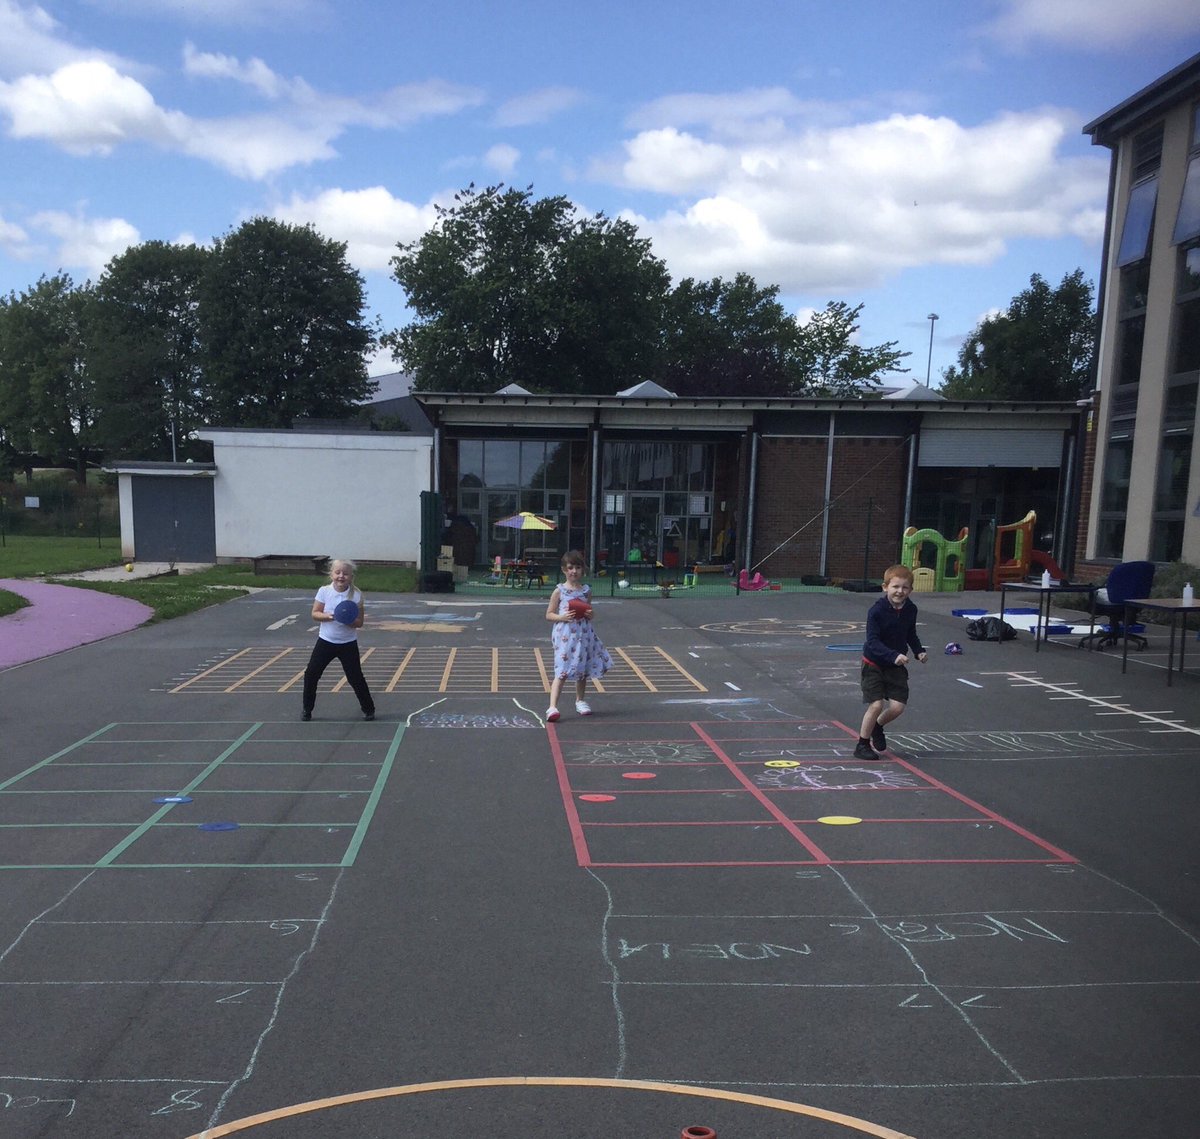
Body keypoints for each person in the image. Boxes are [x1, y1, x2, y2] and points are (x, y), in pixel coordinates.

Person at [853, 563, 927, 761]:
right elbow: (873, 641)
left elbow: (910, 633)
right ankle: (862, 744)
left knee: (897, 707)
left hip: (895, 665)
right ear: (885, 587)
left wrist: (919, 651)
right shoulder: (876, 611)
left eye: (905, 587)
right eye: (895, 587)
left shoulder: (910, 609)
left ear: (911, 590)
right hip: (874, 663)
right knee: (876, 705)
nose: (900, 591)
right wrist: (893, 655)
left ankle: (877, 726)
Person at [301, 558, 376, 722]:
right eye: (338, 572)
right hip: (326, 641)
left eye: (345, 574)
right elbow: (315, 614)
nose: (341, 576)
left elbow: (359, 622)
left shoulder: (356, 595)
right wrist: (328, 616)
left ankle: (369, 709)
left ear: (351, 577)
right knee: (311, 674)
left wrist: (348, 620)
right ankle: (307, 709)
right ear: (331, 574)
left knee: (355, 677)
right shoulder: (324, 591)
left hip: (347, 643)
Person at [545, 550, 613, 722]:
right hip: (565, 634)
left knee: (582, 667)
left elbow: (589, 611)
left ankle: (580, 700)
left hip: (583, 633)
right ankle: (552, 706)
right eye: (570, 568)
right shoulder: (559, 591)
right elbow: (549, 614)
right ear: (564, 570)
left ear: (582, 569)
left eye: (577, 567)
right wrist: (562, 617)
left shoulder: (586, 591)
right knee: (562, 669)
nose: (574, 571)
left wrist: (590, 615)